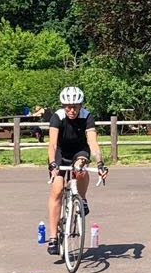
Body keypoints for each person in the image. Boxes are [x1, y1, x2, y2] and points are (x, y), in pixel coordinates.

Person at [45, 86, 106, 257]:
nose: (71, 110)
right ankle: (53, 238)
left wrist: (100, 163)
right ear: (64, 106)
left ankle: (83, 199)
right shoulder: (58, 117)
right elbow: (52, 144)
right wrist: (52, 164)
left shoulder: (87, 117)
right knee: (57, 190)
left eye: (75, 107)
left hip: (79, 151)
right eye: (68, 106)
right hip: (61, 153)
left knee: (80, 169)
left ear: (81, 106)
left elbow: (93, 143)